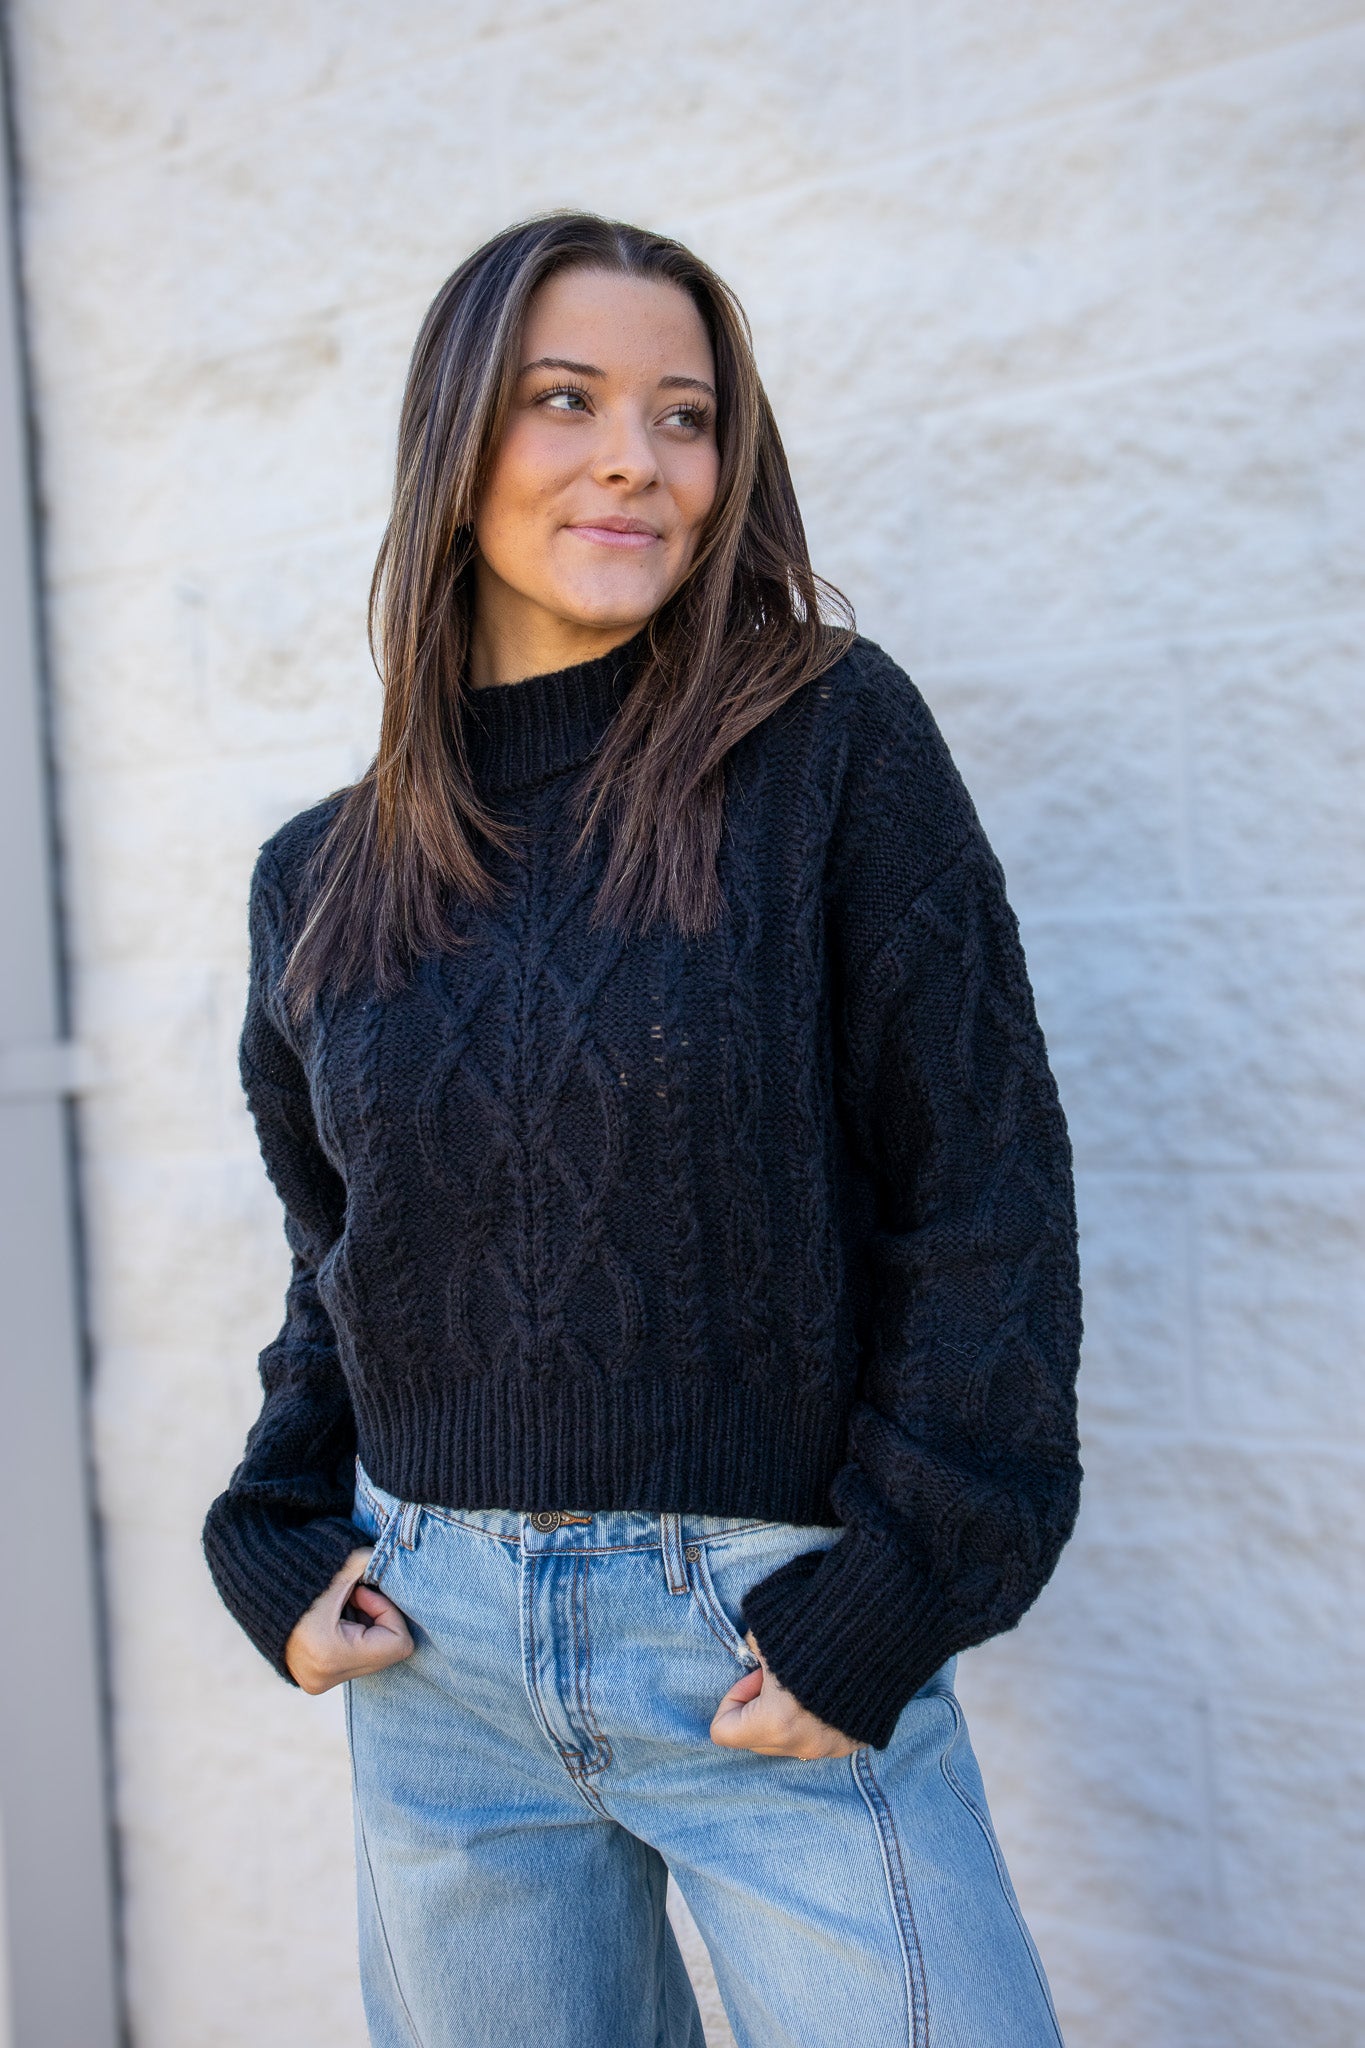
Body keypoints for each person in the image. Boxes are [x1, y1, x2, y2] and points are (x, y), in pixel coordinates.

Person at [203, 211, 1083, 2048]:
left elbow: (981, 1184)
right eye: (566, 400)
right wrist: (276, 1530)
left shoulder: (826, 739)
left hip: (763, 1644)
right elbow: (338, 1258)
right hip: (434, 1665)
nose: (636, 459)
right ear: (455, 447)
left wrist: (899, 1589)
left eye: (685, 416)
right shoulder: (320, 871)